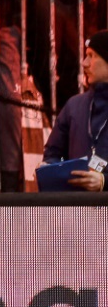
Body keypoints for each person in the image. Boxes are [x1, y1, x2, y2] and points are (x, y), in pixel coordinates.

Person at [40, 30, 108, 191]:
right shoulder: (74, 106)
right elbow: (52, 153)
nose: (84, 63)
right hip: (77, 209)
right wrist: (48, 168)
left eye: (92, 56)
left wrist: (104, 181)